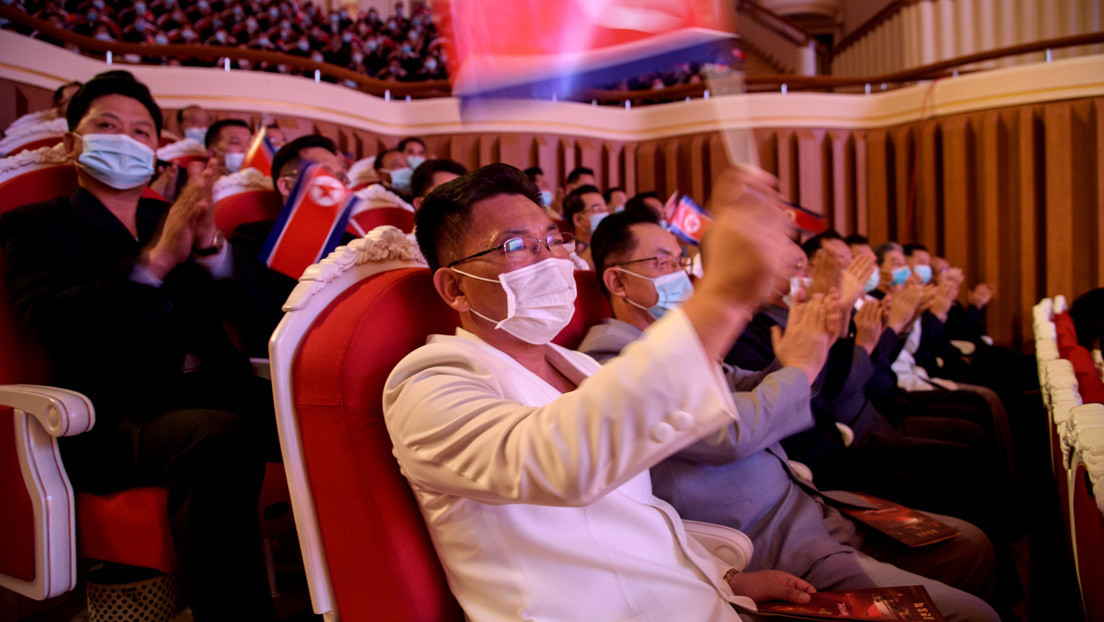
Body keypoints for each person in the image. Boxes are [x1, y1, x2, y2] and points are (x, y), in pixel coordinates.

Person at [385, 162, 826, 621]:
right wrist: (721, 298)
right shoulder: (427, 384)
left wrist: (725, 578)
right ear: (455, 287)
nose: (551, 260)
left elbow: (638, 514)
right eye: (517, 246)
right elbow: (563, 461)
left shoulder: (575, 364)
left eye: (554, 241)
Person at [577, 210, 1000, 622]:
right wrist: (800, 365)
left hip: (809, 503)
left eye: (680, 261)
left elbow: (750, 383)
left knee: (970, 546)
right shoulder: (610, 362)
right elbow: (729, 432)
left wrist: (808, 348)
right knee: (973, 614)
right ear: (617, 279)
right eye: (663, 262)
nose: (680, 275)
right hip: (772, 541)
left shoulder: (671, 343)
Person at [0, 73, 275, 621]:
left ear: (155, 153)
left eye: (141, 131)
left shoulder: (168, 217)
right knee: (218, 437)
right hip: (118, 413)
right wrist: (154, 263)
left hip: (220, 387)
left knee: (334, 411)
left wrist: (211, 249)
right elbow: (57, 323)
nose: (125, 138)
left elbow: (264, 312)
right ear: (73, 141)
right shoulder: (32, 226)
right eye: (107, 125)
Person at [560, 183, 610, 270]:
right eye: (597, 209)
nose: (605, 213)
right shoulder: (567, 254)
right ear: (578, 220)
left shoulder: (612, 245)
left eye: (605, 207)